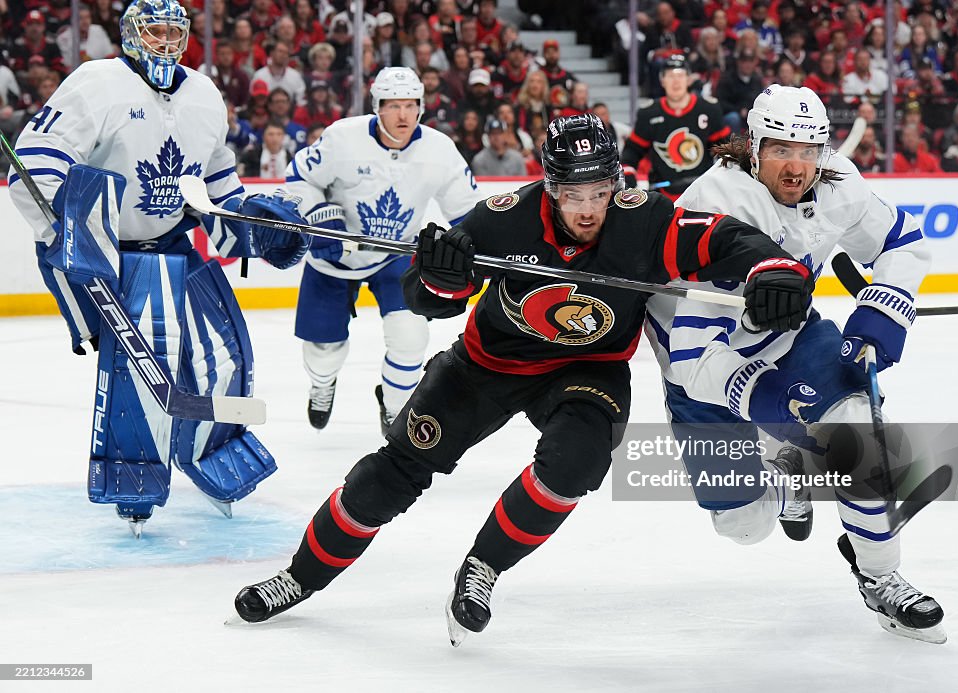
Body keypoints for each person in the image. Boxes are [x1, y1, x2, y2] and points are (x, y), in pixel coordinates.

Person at [232, 113, 813, 641]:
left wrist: (776, 270)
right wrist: (439, 277)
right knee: (395, 469)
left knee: (577, 463)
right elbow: (426, 298)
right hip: (487, 366)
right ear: (549, 187)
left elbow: (727, 239)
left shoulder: (646, 220)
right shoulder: (503, 218)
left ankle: (483, 567)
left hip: (588, 369)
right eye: (572, 194)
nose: (588, 210)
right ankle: (299, 576)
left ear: (617, 182)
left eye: (600, 192)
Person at [645, 85, 945, 644]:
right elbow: (690, 354)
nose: (796, 166)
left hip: (788, 334)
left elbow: (903, 241)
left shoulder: (838, 183)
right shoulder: (717, 204)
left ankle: (880, 576)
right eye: (781, 149)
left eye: (809, 151)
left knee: (857, 426)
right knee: (743, 525)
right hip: (700, 359)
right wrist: (766, 400)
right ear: (753, 147)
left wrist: (882, 313)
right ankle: (784, 480)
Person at [7, 0, 310, 534]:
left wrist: (249, 228)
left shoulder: (204, 93)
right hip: (108, 250)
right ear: (131, 34)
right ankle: (134, 475)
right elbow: (35, 161)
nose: (167, 42)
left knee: (222, 353)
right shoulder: (97, 82)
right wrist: (69, 235)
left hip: (173, 241)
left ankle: (215, 452)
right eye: (156, 31)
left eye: (175, 32)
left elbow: (214, 183)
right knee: (141, 370)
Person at [286, 66, 481, 433]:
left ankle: (395, 408)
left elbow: (467, 211)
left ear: (421, 106)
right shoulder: (343, 137)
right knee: (323, 351)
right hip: (335, 255)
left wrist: (475, 245)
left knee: (411, 336)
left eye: (410, 105)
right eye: (393, 105)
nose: (403, 115)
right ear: (377, 107)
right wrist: (319, 217)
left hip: (396, 254)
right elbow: (299, 178)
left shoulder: (439, 149)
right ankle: (322, 383)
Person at [621, 55, 731, 201]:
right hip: (663, 195)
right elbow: (631, 152)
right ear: (662, 81)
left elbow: (727, 148)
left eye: (680, 75)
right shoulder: (649, 113)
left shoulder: (708, 108)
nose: (676, 81)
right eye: (670, 76)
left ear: (688, 79)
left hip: (702, 192)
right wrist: (629, 181)